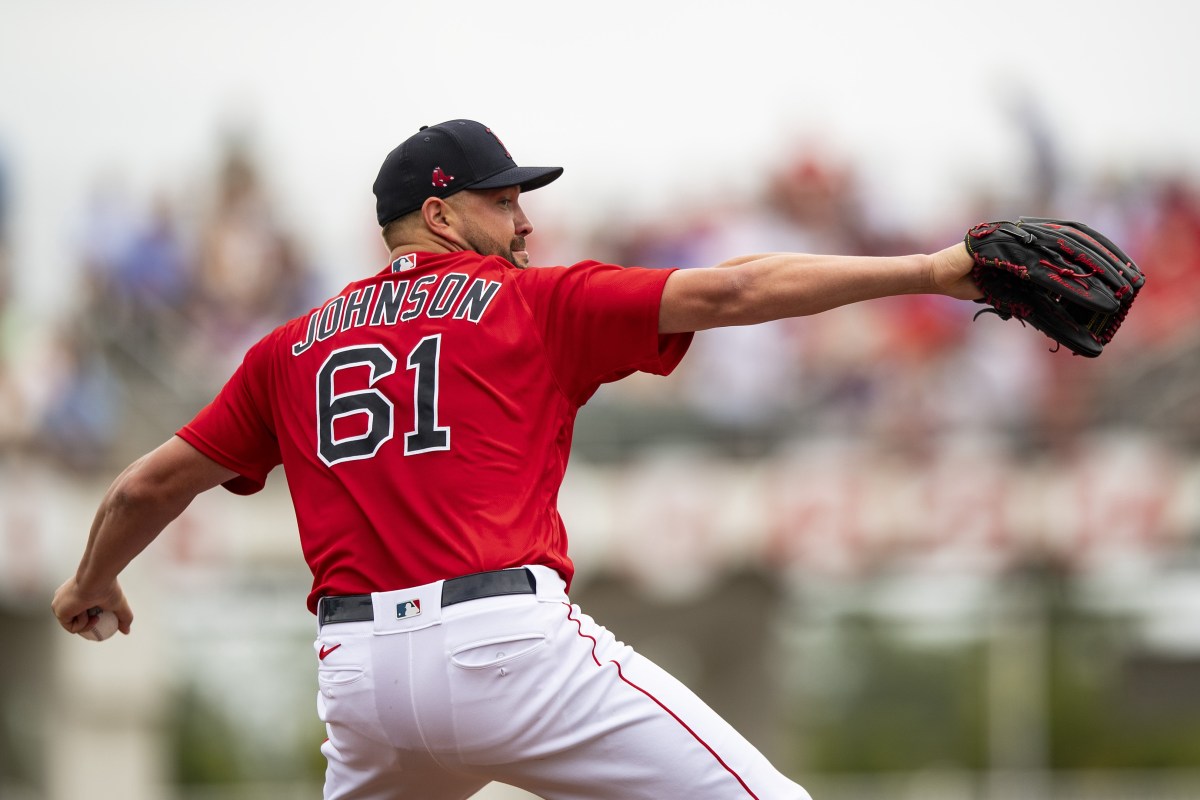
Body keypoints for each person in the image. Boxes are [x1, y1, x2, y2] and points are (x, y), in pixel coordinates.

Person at [52, 119, 982, 800]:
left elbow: (148, 483)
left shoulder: (287, 347)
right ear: (439, 214)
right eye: (502, 201)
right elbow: (734, 288)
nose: (523, 221)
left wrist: (90, 580)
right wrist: (931, 273)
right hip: (505, 651)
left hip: (360, 679)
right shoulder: (528, 305)